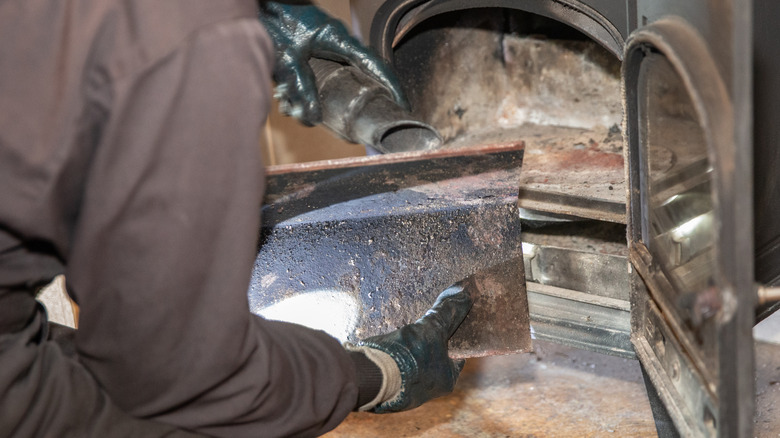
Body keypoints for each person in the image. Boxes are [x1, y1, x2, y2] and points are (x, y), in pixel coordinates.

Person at [0, 1, 472, 436]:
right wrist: (377, 374)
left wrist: (256, 13)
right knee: (210, 417)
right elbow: (181, 373)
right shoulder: (180, 40)